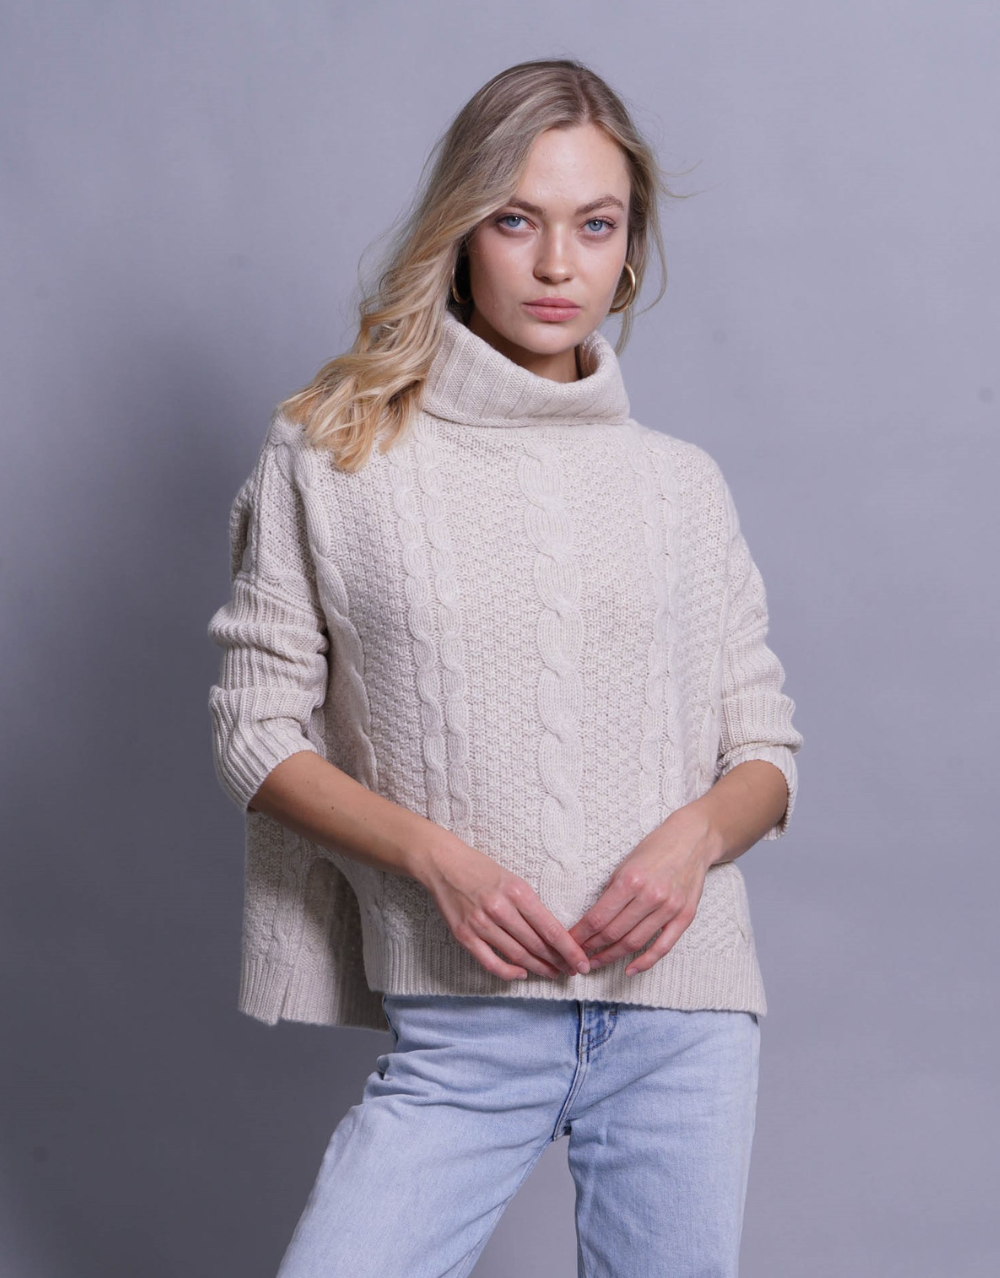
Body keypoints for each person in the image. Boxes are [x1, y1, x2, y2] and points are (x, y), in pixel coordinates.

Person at [206, 58, 802, 1278]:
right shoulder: (333, 454)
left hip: (681, 1016)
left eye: (596, 225)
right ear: (461, 231)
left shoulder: (680, 486)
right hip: (465, 1023)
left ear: (629, 251)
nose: (555, 264)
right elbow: (254, 735)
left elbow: (764, 751)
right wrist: (441, 863)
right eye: (516, 221)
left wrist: (693, 839)